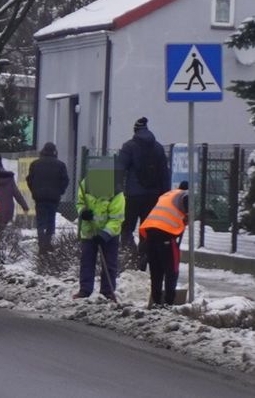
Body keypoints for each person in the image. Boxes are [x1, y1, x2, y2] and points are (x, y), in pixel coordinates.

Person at [117, 117, 170, 250]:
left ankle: (130, 255)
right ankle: (143, 258)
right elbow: (164, 173)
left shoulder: (129, 146)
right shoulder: (158, 148)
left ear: (135, 130)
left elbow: (119, 169)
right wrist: (164, 195)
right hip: (153, 195)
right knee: (147, 229)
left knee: (127, 228)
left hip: (133, 195)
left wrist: (115, 191)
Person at [73, 175, 125, 301]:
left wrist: (104, 235)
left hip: (109, 234)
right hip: (89, 230)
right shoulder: (85, 185)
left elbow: (116, 219)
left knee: (109, 263)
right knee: (87, 261)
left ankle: (107, 292)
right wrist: (82, 212)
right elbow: (80, 203)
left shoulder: (117, 193)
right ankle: (85, 290)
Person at [139, 181, 189, 307]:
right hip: (165, 234)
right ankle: (168, 302)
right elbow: (189, 209)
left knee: (156, 271)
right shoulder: (185, 194)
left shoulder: (168, 195)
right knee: (172, 269)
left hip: (150, 232)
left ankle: (156, 301)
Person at [27, 142, 70, 254]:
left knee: (41, 221)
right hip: (53, 197)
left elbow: (29, 179)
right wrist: (60, 191)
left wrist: (34, 191)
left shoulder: (35, 164)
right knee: (51, 220)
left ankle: (42, 243)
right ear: (54, 151)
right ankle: (48, 242)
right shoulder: (60, 165)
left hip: (39, 197)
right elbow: (65, 180)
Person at [0, 153, 28, 231]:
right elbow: (16, 193)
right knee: (2, 232)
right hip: (7, 211)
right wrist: (25, 206)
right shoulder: (9, 177)